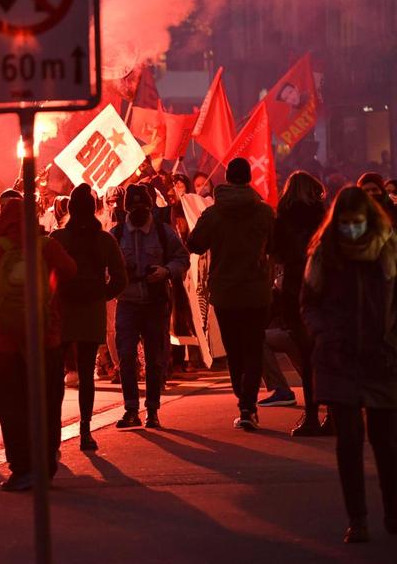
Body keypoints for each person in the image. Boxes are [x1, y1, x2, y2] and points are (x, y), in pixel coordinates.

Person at [301, 186, 397, 543]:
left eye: (356, 223)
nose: (351, 230)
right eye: (345, 224)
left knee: (386, 442)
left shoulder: (389, 250)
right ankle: (357, 518)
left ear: (368, 220)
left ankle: (392, 511)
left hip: (382, 358)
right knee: (349, 441)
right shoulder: (324, 254)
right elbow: (309, 303)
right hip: (337, 359)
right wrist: (324, 335)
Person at [0, 198, 77, 491]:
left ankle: (22, 468)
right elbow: (70, 270)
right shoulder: (46, 246)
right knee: (48, 403)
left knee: (11, 407)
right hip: (45, 338)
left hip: (4, 341)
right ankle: (47, 463)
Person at [188, 157, 276, 430]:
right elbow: (276, 244)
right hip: (256, 290)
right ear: (249, 178)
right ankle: (248, 405)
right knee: (253, 348)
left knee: (235, 349)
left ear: (226, 178)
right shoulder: (262, 212)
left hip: (225, 292)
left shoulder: (214, 213)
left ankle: (243, 398)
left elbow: (195, 244)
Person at [51, 184, 128, 450]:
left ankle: (53, 432)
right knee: (85, 374)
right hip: (90, 312)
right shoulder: (105, 240)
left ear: (70, 209)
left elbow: (43, 274)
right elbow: (120, 279)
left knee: (55, 374)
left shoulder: (58, 238)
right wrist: (99, 296)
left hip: (62, 312)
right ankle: (84, 431)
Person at [111, 184, 189, 429]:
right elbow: (105, 267)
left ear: (150, 207)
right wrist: (120, 274)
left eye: (142, 206)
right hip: (127, 303)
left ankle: (153, 410)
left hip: (155, 303)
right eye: (133, 207)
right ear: (126, 210)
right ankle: (131, 409)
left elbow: (182, 259)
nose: (138, 211)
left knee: (155, 359)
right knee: (126, 357)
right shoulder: (116, 234)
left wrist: (166, 271)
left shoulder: (164, 233)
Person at [273, 170, 331, 436]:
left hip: (295, 289)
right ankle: (333, 415)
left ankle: (310, 415)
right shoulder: (325, 218)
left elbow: (274, 253)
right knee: (327, 354)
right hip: (323, 289)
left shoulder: (282, 219)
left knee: (307, 355)